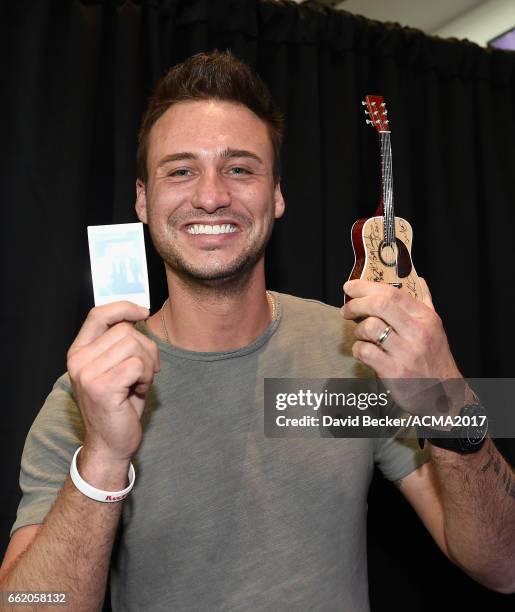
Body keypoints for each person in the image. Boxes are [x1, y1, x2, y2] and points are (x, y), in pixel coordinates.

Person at [0, 50, 513, 611]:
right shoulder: (87, 393)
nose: (211, 195)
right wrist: (102, 458)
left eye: (240, 168)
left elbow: (504, 567)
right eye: (180, 170)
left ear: (277, 196)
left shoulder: (353, 354)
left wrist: (446, 397)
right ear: (143, 199)